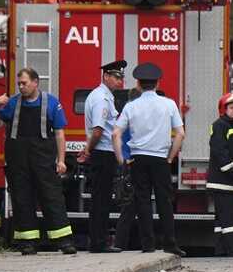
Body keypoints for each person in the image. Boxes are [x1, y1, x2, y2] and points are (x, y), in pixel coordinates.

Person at [0, 68, 76, 255]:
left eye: (24, 83)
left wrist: (61, 160)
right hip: (18, 161)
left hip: (43, 160)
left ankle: (63, 241)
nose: (21, 87)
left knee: (52, 198)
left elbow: (60, 134)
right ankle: (28, 242)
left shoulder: (51, 102)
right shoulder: (12, 103)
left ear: (36, 82)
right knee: (22, 199)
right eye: (19, 83)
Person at [112, 62, 186, 257]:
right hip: (160, 159)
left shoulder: (131, 106)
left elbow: (116, 134)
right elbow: (180, 134)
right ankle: (170, 243)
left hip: (138, 159)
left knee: (142, 201)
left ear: (138, 83)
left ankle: (148, 244)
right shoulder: (168, 104)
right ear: (158, 83)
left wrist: (121, 159)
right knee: (164, 201)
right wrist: (170, 157)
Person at [79, 60, 126, 253]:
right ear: (105, 76)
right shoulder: (101, 99)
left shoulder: (105, 96)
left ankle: (99, 241)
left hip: (103, 153)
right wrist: (88, 150)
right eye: (116, 77)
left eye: (121, 78)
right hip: (102, 153)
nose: (119, 81)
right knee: (101, 200)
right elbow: (98, 131)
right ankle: (98, 243)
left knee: (102, 199)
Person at [207, 93, 233, 257]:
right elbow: (220, 152)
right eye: (231, 108)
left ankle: (222, 249)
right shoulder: (220, 125)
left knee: (222, 220)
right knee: (232, 219)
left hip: (230, 182)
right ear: (223, 109)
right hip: (225, 182)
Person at [114, 88, 140, 251]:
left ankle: (122, 243)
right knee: (132, 206)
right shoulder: (133, 114)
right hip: (133, 163)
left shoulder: (124, 113)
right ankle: (121, 243)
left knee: (130, 206)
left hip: (128, 163)